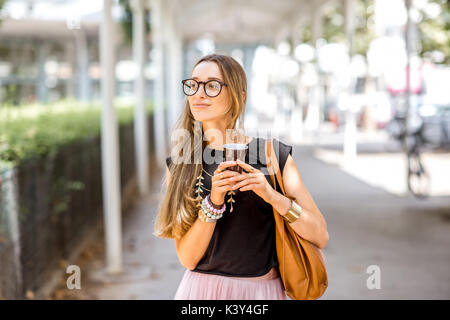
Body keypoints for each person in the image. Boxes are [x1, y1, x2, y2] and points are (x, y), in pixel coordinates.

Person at [154, 54, 329, 300]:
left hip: (260, 294)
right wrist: (213, 202)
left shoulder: (272, 156)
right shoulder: (181, 166)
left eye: (212, 85)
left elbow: (320, 234)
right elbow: (188, 258)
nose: (199, 94)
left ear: (240, 96)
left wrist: (274, 197)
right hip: (200, 294)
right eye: (193, 84)